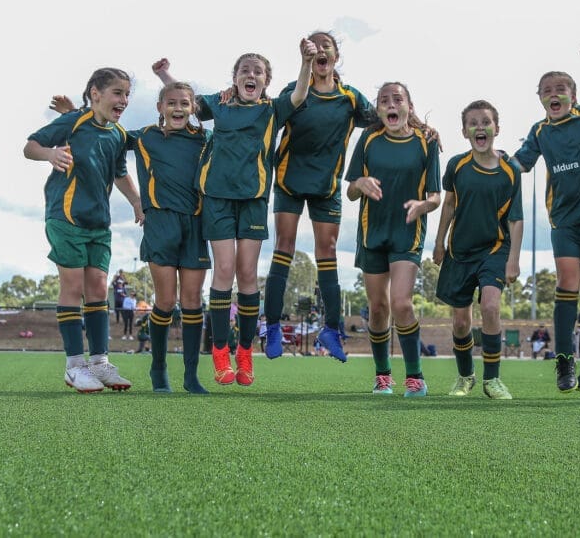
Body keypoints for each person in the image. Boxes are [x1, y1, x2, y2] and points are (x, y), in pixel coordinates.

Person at [152, 46, 309, 387]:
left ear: (266, 81)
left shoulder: (272, 109)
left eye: (257, 72)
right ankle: (220, 352)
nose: (250, 75)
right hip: (217, 199)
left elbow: (299, 94)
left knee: (248, 273)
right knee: (224, 270)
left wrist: (307, 60)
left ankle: (244, 352)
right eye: (244, 71)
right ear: (235, 78)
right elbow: (186, 99)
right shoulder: (219, 104)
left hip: (252, 199)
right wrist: (165, 75)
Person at [51, 81, 214, 393]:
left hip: (195, 225)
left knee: (192, 301)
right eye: (171, 103)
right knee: (166, 301)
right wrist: (74, 114)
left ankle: (191, 376)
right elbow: (104, 132)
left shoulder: (204, 138)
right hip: (160, 223)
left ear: (193, 108)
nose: (177, 109)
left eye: (184, 104)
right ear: (160, 108)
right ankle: (159, 370)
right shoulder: (145, 137)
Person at [24, 67, 142, 393]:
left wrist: (136, 201)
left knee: (99, 289)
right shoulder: (73, 123)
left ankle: (100, 363)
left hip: (98, 224)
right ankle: (75, 365)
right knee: (73, 287)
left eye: (127, 94)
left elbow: (120, 173)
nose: (124, 100)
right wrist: (49, 153)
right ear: (95, 93)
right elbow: (30, 146)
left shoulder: (118, 134)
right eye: (117, 93)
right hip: (65, 218)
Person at [263, 31, 378, 364]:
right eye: (315, 47)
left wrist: (420, 126)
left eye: (327, 46)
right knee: (284, 246)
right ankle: (271, 326)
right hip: (289, 179)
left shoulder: (350, 98)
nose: (321, 51)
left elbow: (383, 119)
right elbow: (274, 115)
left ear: (336, 56)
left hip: (326, 185)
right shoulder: (295, 90)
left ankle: (331, 328)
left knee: (326, 252)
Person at [513, 71, 580, 393]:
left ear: (573, 95)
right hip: (564, 218)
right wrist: (492, 163)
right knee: (566, 281)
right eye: (546, 91)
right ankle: (564, 361)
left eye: (561, 89)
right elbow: (520, 164)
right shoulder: (540, 131)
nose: (553, 94)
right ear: (541, 98)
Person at [346, 82, 441, 397]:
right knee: (378, 308)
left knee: (401, 303)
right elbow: (349, 192)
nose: (390, 104)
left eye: (397, 99)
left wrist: (423, 205)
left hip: (407, 233)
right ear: (379, 110)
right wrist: (360, 181)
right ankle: (383, 376)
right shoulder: (369, 139)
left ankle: (415, 376)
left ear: (408, 107)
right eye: (383, 100)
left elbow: (436, 197)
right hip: (372, 233)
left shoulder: (426, 143)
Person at [433, 100, 523, 400]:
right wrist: (439, 242)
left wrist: (513, 260)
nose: (480, 126)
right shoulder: (457, 165)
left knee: (491, 307)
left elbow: (516, 218)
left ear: (497, 128)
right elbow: (448, 204)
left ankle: (493, 380)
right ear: (464, 131)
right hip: (459, 252)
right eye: (473, 122)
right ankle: (465, 376)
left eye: (486, 121)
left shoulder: (510, 171)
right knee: (460, 322)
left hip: (494, 250)